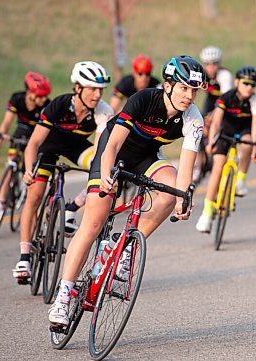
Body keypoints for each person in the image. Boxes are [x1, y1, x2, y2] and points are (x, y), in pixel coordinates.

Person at [48, 55, 207, 326]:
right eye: (183, 88)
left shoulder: (193, 119)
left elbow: (186, 167)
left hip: (145, 156)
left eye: (194, 90)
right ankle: (64, 295)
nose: (189, 96)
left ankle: (125, 248)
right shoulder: (143, 99)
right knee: (94, 222)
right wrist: (108, 175)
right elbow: (111, 145)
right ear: (168, 86)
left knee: (170, 193)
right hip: (114, 151)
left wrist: (183, 198)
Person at [12, 61, 114, 282]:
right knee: (35, 195)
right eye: (92, 89)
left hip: (76, 147)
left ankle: (71, 207)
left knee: (103, 170)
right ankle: (25, 256)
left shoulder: (103, 111)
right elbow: (34, 142)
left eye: (100, 90)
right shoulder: (59, 105)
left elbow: (100, 152)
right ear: (77, 88)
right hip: (48, 147)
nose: (97, 95)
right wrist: (29, 170)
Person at [195, 66, 256, 233]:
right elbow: (216, 122)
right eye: (246, 83)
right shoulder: (226, 98)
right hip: (225, 131)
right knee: (218, 165)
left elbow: (255, 129)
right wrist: (211, 142)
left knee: (248, 144)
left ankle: (240, 180)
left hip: (244, 131)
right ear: (237, 82)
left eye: (253, 85)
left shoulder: (255, 101)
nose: (249, 87)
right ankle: (207, 211)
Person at [0, 72, 51, 219]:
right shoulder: (17, 98)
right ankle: (0, 203)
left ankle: (25, 187)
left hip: (37, 133)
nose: (43, 99)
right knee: (11, 165)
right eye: (40, 95)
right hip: (21, 130)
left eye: (45, 96)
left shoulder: (47, 105)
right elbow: (6, 122)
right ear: (30, 92)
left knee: (30, 166)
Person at [193, 46, 233, 183]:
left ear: (219, 63)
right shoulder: (201, 74)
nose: (211, 67)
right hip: (211, 101)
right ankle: (199, 164)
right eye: (208, 64)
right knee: (199, 129)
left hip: (225, 104)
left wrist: (212, 117)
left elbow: (224, 101)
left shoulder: (224, 76)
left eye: (215, 63)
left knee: (217, 126)